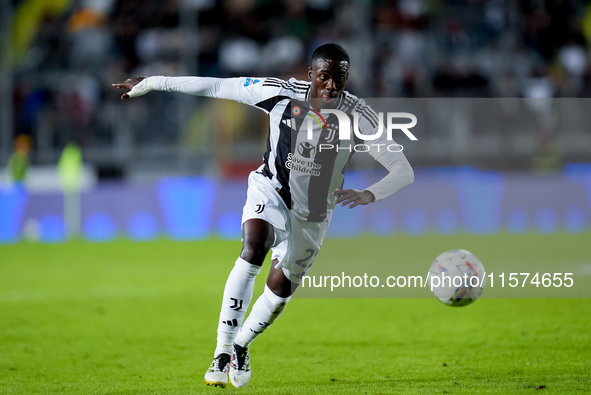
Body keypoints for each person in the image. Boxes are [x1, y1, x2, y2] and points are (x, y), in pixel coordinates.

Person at [113, 43, 414, 389]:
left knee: (281, 288)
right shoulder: (280, 93)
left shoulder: (358, 115)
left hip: (313, 215)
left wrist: (368, 193)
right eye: (325, 77)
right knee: (254, 245)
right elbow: (216, 86)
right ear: (311, 74)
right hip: (270, 190)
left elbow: (402, 170)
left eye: (340, 78)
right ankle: (222, 349)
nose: (332, 85)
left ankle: (242, 344)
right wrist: (153, 82)